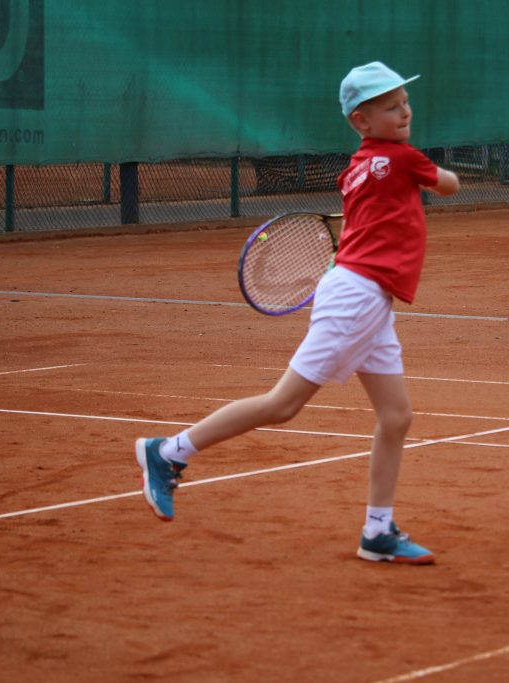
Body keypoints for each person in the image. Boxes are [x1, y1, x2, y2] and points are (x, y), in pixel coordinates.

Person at [134, 61, 460, 565]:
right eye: (391, 107)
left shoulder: (355, 170)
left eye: (404, 102)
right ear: (361, 121)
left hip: (367, 297)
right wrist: (439, 174)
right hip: (357, 297)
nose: (404, 112)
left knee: (396, 416)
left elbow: (366, 227)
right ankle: (169, 451)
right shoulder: (400, 158)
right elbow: (449, 185)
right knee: (283, 403)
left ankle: (377, 531)